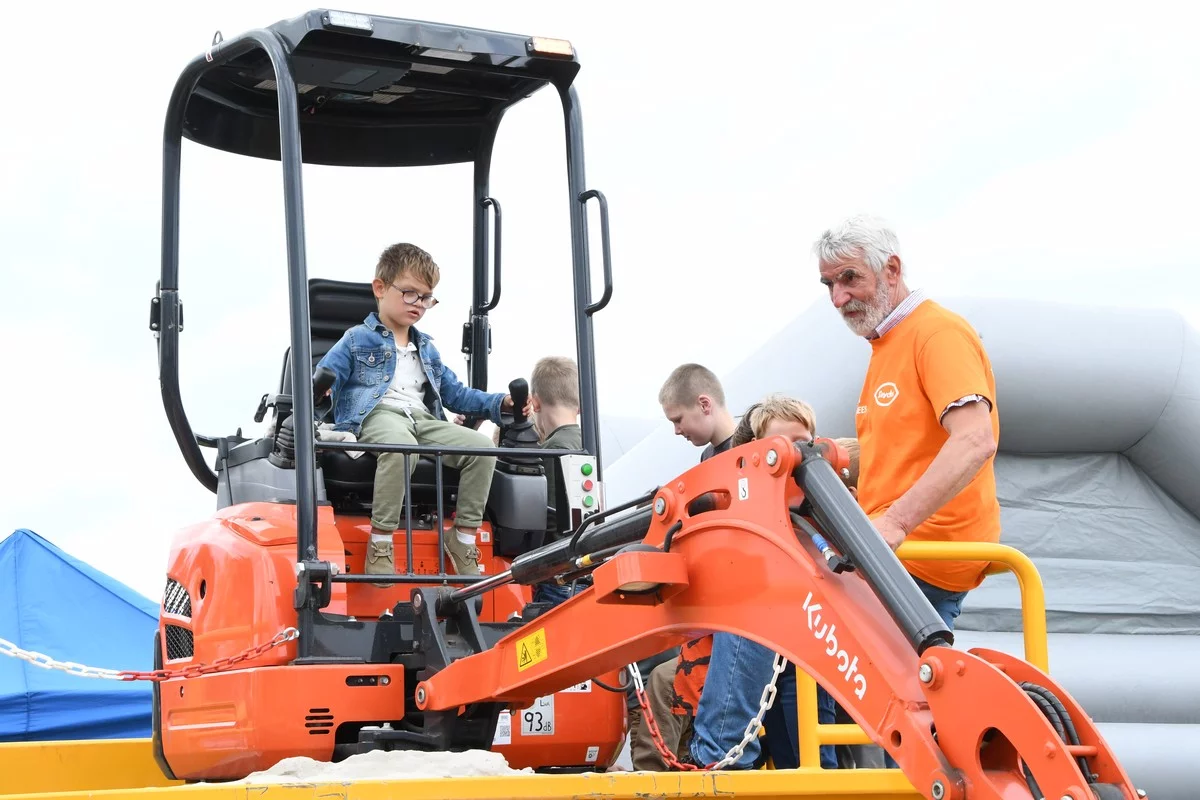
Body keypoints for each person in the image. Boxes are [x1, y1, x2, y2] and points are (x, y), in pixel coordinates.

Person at [813, 215, 1000, 767]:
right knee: (837, 700)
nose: (838, 297)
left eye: (849, 279)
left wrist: (892, 524)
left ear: (891, 270)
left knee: (859, 708)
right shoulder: (885, 345)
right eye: (829, 285)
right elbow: (906, 451)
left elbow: (974, 440)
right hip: (892, 558)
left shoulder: (936, 333)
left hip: (920, 558)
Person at [316, 242, 523, 580]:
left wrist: (500, 403)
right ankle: (381, 541)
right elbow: (323, 381)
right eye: (410, 294)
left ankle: (462, 538)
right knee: (402, 450)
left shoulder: (426, 346)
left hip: (422, 419)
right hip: (379, 415)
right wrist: (317, 398)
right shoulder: (356, 339)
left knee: (483, 449)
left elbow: (455, 394)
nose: (419, 305)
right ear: (380, 289)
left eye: (426, 298)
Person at [682, 395, 841, 771]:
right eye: (779, 447)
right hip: (768, 640)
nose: (793, 457)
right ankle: (722, 760)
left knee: (810, 749)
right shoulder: (738, 510)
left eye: (803, 444)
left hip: (809, 653)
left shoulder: (828, 507)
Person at [528, 356, 584, 607]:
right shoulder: (591, 441)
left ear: (535, 403)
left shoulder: (551, 450)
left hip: (556, 577)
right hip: (586, 567)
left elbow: (548, 519)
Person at [658, 363, 737, 460]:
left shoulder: (754, 442)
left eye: (678, 420)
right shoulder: (706, 458)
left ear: (704, 405)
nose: (676, 431)